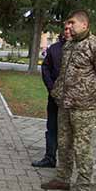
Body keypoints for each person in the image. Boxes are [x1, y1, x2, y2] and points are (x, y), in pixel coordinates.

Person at [41, 10, 96, 191]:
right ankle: (63, 178)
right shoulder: (69, 45)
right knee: (63, 143)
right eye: (67, 24)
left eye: (72, 23)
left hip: (83, 107)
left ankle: (83, 187)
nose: (69, 27)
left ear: (84, 25)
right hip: (65, 103)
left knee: (82, 147)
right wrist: (58, 93)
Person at [32, 26, 71, 168]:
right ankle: (50, 157)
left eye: (70, 28)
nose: (67, 31)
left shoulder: (80, 48)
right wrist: (52, 88)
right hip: (54, 96)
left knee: (70, 131)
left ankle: (67, 164)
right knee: (52, 128)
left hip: (73, 99)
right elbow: (46, 68)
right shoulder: (54, 48)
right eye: (65, 28)